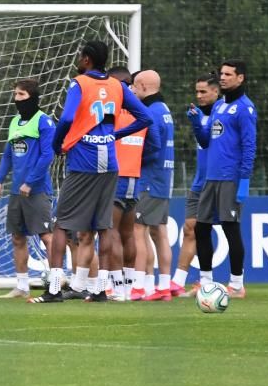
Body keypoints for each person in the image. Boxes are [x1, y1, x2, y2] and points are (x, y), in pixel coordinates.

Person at [31, 41, 152, 303]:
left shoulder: (79, 83)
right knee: (104, 226)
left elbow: (65, 119)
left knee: (61, 224)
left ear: (87, 60)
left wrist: (58, 144)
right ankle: (100, 288)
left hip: (82, 163)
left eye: (80, 56)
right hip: (109, 164)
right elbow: (145, 118)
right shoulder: (117, 86)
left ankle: (53, 289)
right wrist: (113, 136)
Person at [191, 60, 256, 299]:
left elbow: (249, 146)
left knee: (230, 229)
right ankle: (206, 282)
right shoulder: (218, 106)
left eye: (228, 74)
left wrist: (244, 181)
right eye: (222, 73)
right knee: (201, 228)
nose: (223, 77)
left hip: (230, 178)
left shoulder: (245, 108)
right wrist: (197, 123)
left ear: (241, 78)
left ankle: (237, 285)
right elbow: (207, 140)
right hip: (211, 177)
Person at [0, 78, 55, 299]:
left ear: (33, 98)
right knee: (18, 237)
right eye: (15, 94)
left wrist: (30, 181)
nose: (16, 99)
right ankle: (22, 286)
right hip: (17, 192)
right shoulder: (14, 121)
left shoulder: (44, 122)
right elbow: (8, 154)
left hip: (37, 190)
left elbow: (48, 155)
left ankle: (56, 281)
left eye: (21, 95)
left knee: (47, 237)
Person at [104, 66, 158, 302]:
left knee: (112, 233)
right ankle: (129, 286)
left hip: (114, 178)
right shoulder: (142, 114)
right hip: (134, 179)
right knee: (128, 235)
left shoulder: (112, 113)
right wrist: (135, 159)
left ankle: (116, 288)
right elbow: (154, 146)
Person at [170, 74, 220, 296]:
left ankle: (237, 281)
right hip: (199, 182)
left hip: (220, 182)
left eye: (203, 91)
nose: (198, 95)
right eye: (197, 91)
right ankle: (178, 282)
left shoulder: (223, 115)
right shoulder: (200, 116)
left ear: (215, 91)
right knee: (190, 228)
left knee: (228, 230)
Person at [131, 70, 175, 301]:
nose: (133, 92)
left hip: (149, 179)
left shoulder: (150, 113)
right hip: (164, 179)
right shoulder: (165, 110)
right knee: (159, 232)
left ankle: (139, 286)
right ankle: (163, 287)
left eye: (134, 87)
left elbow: (151, 147)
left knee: (139, 230)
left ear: (142, 86)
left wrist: (135, 159)